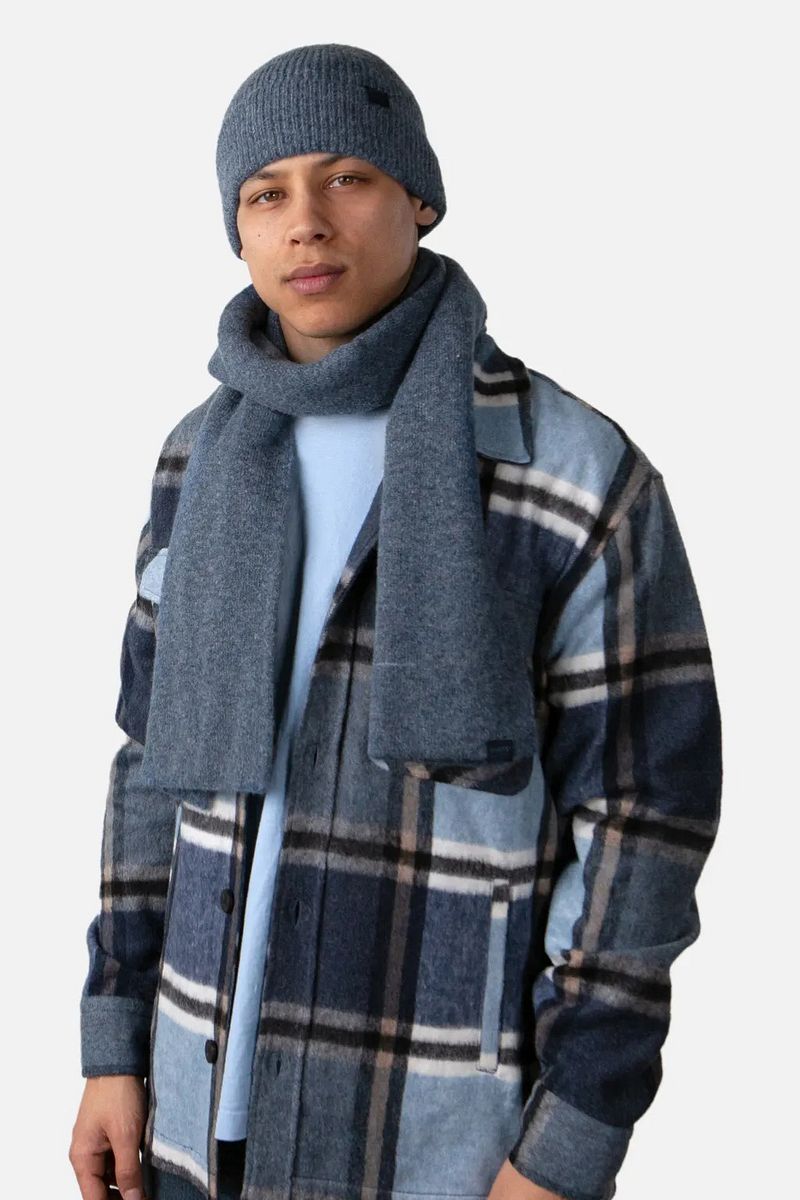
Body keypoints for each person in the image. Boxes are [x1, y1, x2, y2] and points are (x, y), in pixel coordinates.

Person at [69, 42, 723, 1200]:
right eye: (265, 193)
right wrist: (112, 1045)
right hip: (188, 1113)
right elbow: (146, 764)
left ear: (417, 197)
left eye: (347, 177)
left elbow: (643, 821)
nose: (305, 222)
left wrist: (566, 1144)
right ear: (237, 232)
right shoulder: (196, 461)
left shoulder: (567, 472)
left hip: (433, 1132)